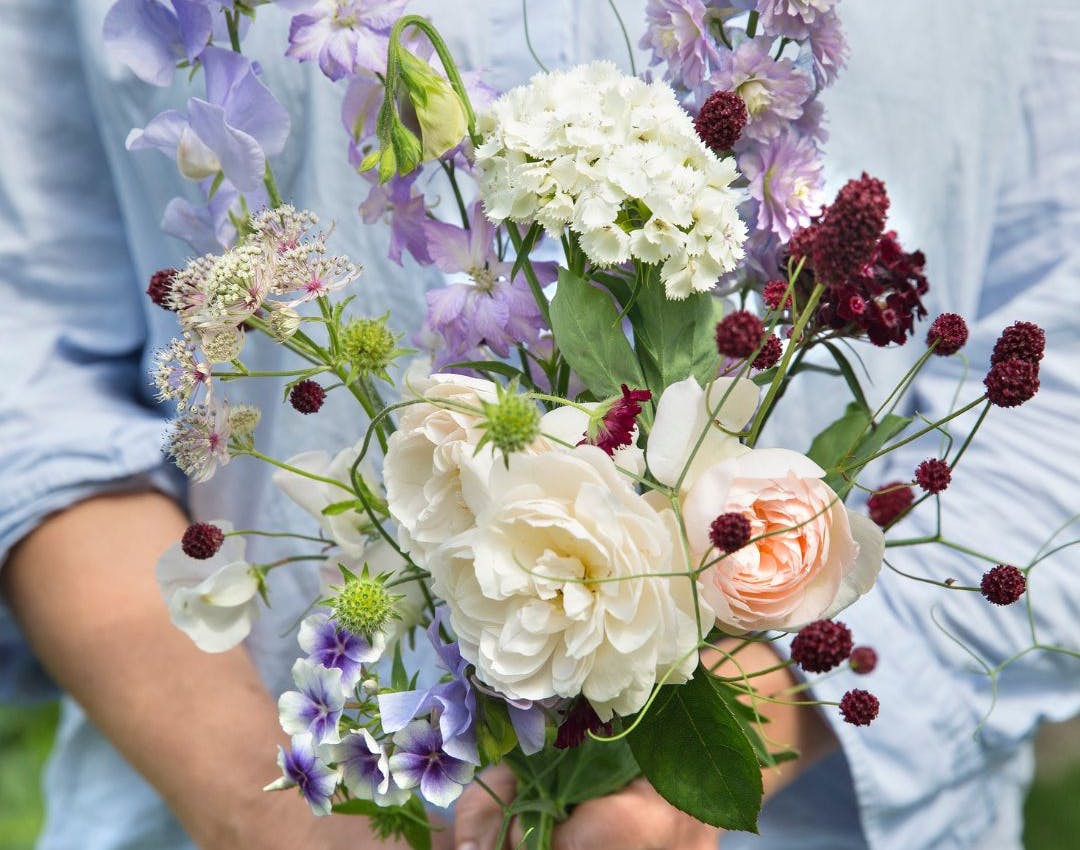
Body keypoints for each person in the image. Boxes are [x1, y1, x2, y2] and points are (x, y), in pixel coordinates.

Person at [1, 3, 1077, 850]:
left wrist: (747, 712)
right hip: (266, 791)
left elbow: (1061, 371)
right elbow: (31, 369)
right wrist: (261, 800)